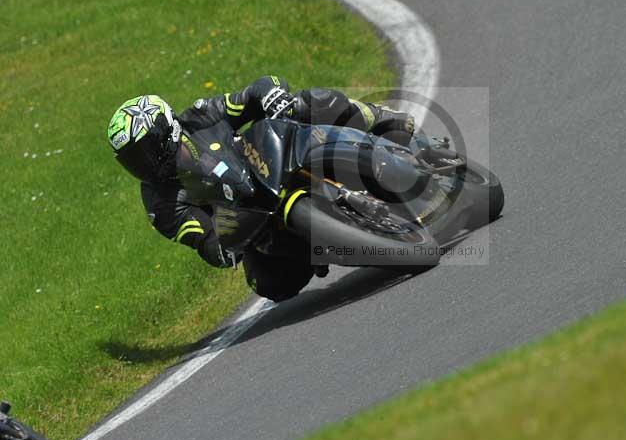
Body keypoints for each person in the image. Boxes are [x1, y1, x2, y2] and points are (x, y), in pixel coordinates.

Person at [107, 75, 415, 301]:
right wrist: (223, 246)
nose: (143, 165)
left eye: (144, 151)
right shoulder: (159, 203)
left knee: (309, 103)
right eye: (132, 160)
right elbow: (205, 241)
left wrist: (271, 96)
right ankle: (334, 243)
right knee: (269, 285)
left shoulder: (200, 118)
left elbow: (252, 92)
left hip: (275, 158)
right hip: (256, 224)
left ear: (166, 130)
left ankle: (381, 117)